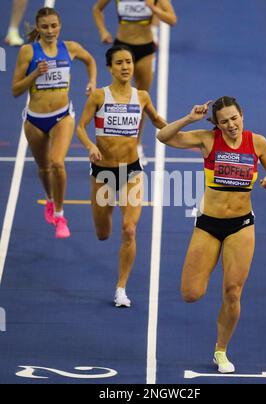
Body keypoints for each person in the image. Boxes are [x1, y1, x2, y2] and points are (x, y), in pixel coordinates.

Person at [157, 96, 266, 373]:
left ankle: (221, 350)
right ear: (217, 123)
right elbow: (163, 136)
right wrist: (190, 118)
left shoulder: (258, 142)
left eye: (234, 118)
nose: (231, 125)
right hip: (208, 225)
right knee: (191, 293)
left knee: (232, 291)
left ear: (242, 116)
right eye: (224, 121)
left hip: (241, 226)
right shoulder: (207, 139)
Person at [77, 44, 166, 307]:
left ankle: (120, 288)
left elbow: (160, 123)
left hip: (131, 171)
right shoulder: (98, 97)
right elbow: (80, 127)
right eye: (119, 63)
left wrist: (189, 122)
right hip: (103, 173)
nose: (126, 67)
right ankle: (108, 217)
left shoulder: (142, 97)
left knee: (129, 229)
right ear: (109, 68)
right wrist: (91, 146)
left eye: (128, 62)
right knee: (103, 233)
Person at [12, 7, 97, 238]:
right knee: (44, 168)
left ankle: (60, 215)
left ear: (60, 26)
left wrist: (92, 82)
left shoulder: (70, 48)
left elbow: (90, 61)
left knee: (57, 163)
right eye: (45, 27)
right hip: (35, 120)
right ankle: (50, 201)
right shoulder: (28, 52)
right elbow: (15, 91)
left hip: (62, 117)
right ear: (38, 28)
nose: (50, 30)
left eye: (53, 26)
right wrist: (34, 75)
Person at [92, 0, 177, 164]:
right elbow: (97, 9)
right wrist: (103, 31)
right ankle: (110, 147)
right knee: (116, 99)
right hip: (121, 47)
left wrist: (153, 8)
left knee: (141, 100)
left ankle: (135, 145)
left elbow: (172, 19)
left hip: (145, 49)